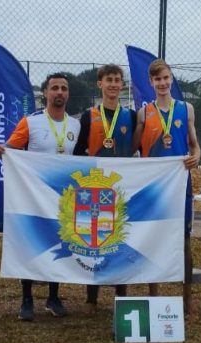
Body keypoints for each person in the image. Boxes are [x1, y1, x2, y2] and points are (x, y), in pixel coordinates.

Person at [0, 73, 80, 320]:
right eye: (54, 88)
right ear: (46, 93)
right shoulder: (31, 122)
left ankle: (53, 297)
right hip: (33, 196)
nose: (59, 92)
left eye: (63, 88)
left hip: (61, 197)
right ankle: (26, 299)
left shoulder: (75, 125)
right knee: (29, 244)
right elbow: (11, 149)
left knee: (58, 243)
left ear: (68, 94)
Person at [134, 58, 201, 314]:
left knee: (184, 239)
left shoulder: (186, 109)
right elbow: (134, 148)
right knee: (153, 237)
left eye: (165, 78)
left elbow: (194, 145)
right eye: (157, 79)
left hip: (180, 182)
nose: (162, 83)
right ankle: (154, 294)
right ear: (151, 82)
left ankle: (187, 297)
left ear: (171, 79)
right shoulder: (144, 113)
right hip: (154, 185)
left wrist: (197, 156)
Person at [73, 64, 136, 312]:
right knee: (95, 241)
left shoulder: (131, 116)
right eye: (109, 80)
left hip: (122, 186)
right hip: (96, 189)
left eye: (117, 80)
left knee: (120, 238)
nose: (113, 84)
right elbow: (78, 151)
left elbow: (139, 148)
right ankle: (91, 298)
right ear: (100, 84)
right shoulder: (89, 116)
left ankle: (121, 295)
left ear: (122, 85)